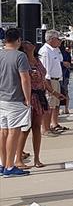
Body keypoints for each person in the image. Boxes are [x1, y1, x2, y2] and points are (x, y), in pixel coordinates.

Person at [17, 41, 61, 169]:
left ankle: (37, 158)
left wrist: (53, 92)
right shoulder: (22, 61)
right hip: (29, 96)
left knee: (36, 127)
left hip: (40, 95)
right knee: (25, 129)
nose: (29, 44)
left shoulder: (37, 60)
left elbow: (43, 79)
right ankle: (18, 158)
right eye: (26, 44)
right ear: (23, 49)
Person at [0, 28, 32, 177]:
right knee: (14, 132)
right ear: (18, 40)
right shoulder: (20, 56)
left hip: (1, 98)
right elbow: (24, 78)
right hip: (15, 98)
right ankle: (10, 166)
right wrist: (27, 98)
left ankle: (2, 163)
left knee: (3, 132)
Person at [38, 30, 68, 135]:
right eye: (58, 39)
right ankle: (45, 129)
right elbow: (45, 71)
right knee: (49, 106)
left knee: (55, 104)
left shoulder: (54, 50)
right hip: (50, 80)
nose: (59, 41)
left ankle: (53, 124)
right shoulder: (45, 51)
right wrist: (49, 87)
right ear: (52, 39)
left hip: (56, 79)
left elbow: (60, 60)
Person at [59, 41, 72, 115]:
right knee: (65, 92)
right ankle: (66, 108)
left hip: (62, 75)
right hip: (65, 74)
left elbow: (67, 64)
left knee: (60, 92)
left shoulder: (59, 53)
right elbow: (68, 64)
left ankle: (61, 109)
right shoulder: (66, 53)